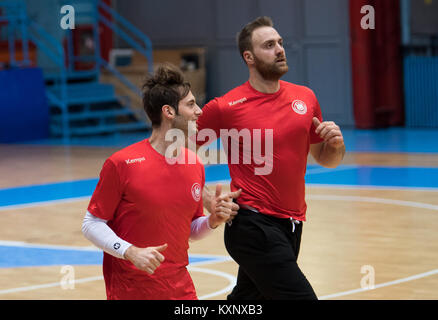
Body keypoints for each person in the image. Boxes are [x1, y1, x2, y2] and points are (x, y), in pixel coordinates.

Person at [196, 16, 345, 300]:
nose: (279, 49)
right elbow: (175, 151)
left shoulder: (306, 98)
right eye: (269, 45)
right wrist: (204, 197)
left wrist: (335, 144)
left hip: (292, 224)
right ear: (248, 57)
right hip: (252, 225)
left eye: (280, 43)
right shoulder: (226, 107)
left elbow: (327, 160)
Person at [82, 64, 240, 300]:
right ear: (168, 112)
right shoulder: (122, 163)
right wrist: (130, 251)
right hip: (130, 290)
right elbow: (91, 223)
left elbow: (190, 231)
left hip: (181, 289)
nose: (199, 111)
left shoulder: (194, 163)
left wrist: (213, 220)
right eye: (190, 104)